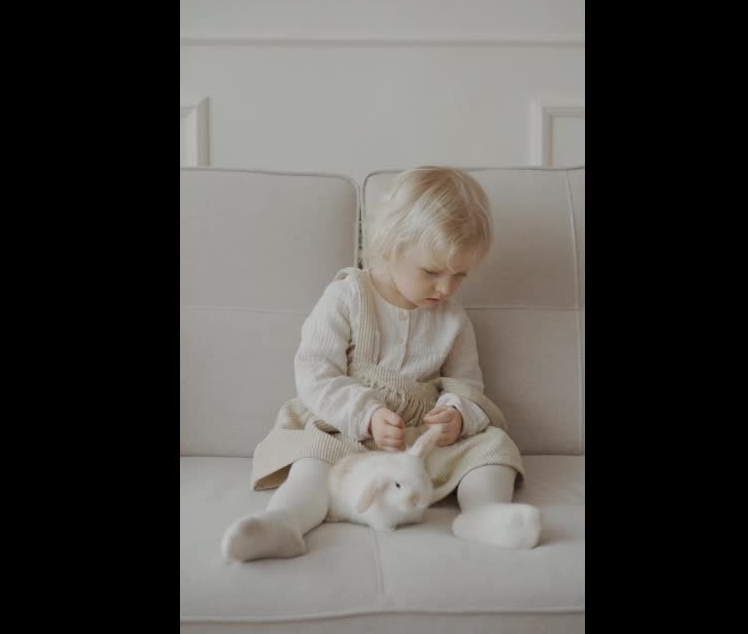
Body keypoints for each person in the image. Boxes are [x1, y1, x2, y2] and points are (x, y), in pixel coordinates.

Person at [220, 166, 541, 561]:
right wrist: (366, 413)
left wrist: (456, 415)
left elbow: (466, 385)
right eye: (431, 271)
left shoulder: (454, 319)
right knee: (313, 461)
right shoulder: (347, 296)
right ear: (390, 247)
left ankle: (484, 515)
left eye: (460, 275)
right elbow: (315, 372)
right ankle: (284, 523)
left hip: (418, 438)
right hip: (345, 430)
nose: (445, 288)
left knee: (493, 446)